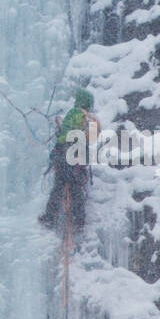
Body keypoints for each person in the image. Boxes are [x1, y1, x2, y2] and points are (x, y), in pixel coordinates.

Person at [39, 87, 101, 234]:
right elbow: (91, 139)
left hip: (64, 154)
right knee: (76, 189)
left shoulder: (73, 113)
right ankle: (78, 221)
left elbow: (66, 134)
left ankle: (50, 217)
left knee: (59, 188)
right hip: (77, 157)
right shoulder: (90, 119)